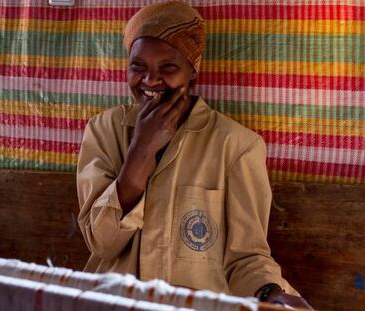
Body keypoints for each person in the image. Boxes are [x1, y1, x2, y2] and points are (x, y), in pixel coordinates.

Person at [77, 1, 312, 309]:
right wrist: (140, 150)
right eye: (138, 67)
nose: (149, 81)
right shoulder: (104, 130)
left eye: (168, 68)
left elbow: (247, 257)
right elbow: (102, 242)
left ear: (192, 70)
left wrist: (270, 293)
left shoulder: (236, 146)